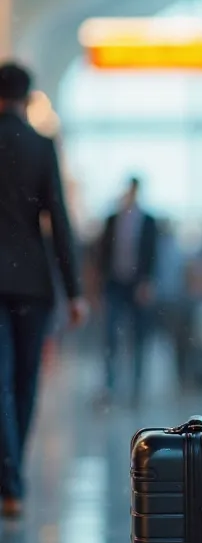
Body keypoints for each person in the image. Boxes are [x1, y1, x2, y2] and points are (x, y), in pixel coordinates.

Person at [0, 62, 87, 517]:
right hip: (33, 283)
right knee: (25, 380)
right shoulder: (40, 145)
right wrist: (74, 292)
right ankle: (12, 479)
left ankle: (9, 479)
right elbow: (59, 221)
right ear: (28, 97)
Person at [98, 177, 158, 405]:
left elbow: (152, 253)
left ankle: (136, 389)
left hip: (137, 285)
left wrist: (147, 282)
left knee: (138, 337)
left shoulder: (148, 221)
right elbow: (103, 252)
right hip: (115, 284)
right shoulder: (113, 219)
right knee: (111, 337)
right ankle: (110, 387)